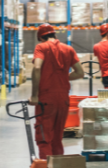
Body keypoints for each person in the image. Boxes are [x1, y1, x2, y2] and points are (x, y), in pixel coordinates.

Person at [29, 24, 85, 159]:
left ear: (41, 37)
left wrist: (34, 95)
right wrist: (62, 78)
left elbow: (37, 68)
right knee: (57, 137)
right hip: (63, 99)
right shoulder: (68, 49)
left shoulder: (41, 47)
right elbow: (80, 73)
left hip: (46, 99)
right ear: (54, 35)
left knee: (44, 136)